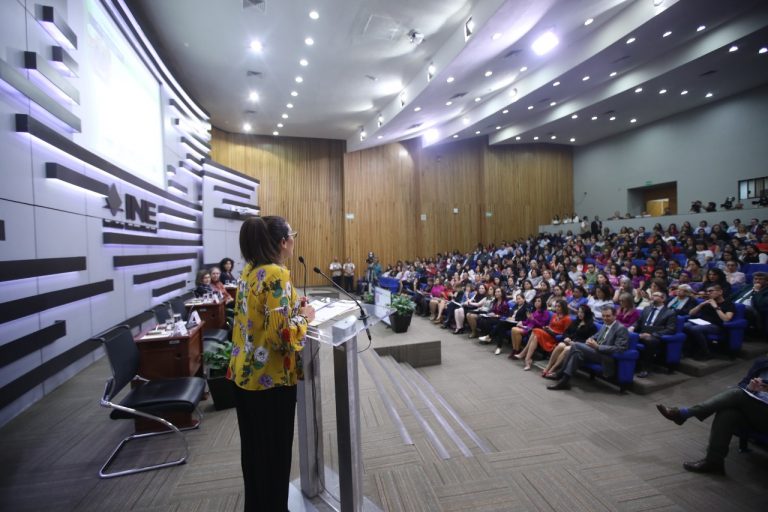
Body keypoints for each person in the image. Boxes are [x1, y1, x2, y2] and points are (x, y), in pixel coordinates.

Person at [227, 216, 316, 512]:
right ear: (283, 242)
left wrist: (292, 306)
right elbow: (281, 337)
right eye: (292, 235)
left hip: (245, 376)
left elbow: (255, 317)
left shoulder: (251, 270)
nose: (293, 240)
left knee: (254, 456)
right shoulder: (277, 274)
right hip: (271, 381)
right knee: (275, 457)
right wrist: (305, 318)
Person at [655, 357, 768, 474]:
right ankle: (714, 462)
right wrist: (750, 387)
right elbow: (742, 385)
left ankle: (683, 414)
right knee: (727, 413)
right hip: (754, 411)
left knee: (737, 394)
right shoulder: (763, 363)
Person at [547, 305, 629, 390]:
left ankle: (559, 373)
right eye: (603, 316)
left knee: (576, 345)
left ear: (615, 316)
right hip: (594, 352)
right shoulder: (605, 325)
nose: (605, 318)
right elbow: (595, 336)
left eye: (608, 316)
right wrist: (590, 339)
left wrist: (598, 347)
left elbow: (620, 348)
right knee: (576, 354)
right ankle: (564, 382)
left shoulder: (621, 329)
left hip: (605, 356)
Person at [541, 305, 597, 378]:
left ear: (587, 313)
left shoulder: (591, 326)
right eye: (579, 312)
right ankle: (548, 367)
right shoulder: (575, 321)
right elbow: (566, 332)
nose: (580, 314)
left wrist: (575, 343)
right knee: (561, 345)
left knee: (566, 349)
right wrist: (567, 337)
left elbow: (588, 340)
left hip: (578, 345)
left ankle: (552, 369)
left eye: (582, 312)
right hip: (569, 341)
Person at [630, 290, 676, 377]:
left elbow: (670, 329)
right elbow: (638, 322)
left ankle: (646, 368)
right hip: (642, 332)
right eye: (653, 295)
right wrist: (632, 327)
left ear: (663, 299)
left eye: (656, 295)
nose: (653, 296)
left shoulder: (670, 312)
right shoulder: (647, 308)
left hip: (655, 336)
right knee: (626, 334)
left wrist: (652, 335)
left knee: (649, 341)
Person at [683, 284, 735, 360]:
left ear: (720, 292)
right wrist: (701, 305)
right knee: (685, 326)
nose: (708, 293)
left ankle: (705, 352)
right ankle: (689, 350)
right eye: (707, 292)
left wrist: (716, 307)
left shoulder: (729, 304)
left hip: (716, 325)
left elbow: (726, 319)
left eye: (711, 291)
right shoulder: (707, 302)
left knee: (695, 329)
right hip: (701, 322)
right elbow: (690, 313)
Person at [516, 300, 571, 370]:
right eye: (556, 306)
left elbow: (565, 333)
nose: (557, 308)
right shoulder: (554, 315)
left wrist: (552, 331)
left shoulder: (567, 318)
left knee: (536, 331)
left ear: (563, 307)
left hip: (555, 337)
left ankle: (524, 355)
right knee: (535, 335)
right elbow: (550, 325)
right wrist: (548, 328)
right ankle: (527, 359)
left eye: (559, 306)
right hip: (548, 333)